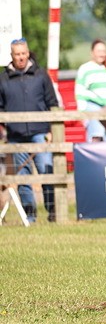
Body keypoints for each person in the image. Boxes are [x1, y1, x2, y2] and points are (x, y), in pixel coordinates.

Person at [0, 38, 60, 222]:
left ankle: (52, 213)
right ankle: (30, 216)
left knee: (46, 172)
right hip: (16, 135)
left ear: (28, 53)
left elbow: (53, 104)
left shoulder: (41, 75)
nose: (20, 58)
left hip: (40, 131)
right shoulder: (3, 79)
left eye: (23, 53)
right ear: (11, 56)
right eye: (17, 54)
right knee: (23, 178)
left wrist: (51, 130)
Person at [75, 39, 106, 142]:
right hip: (94, 107)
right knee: (97, 136)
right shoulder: (85, 68)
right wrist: (82, 113)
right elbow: (80, 91)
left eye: (103, 51)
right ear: (92, 53)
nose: (102, 54)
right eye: (99, 51)